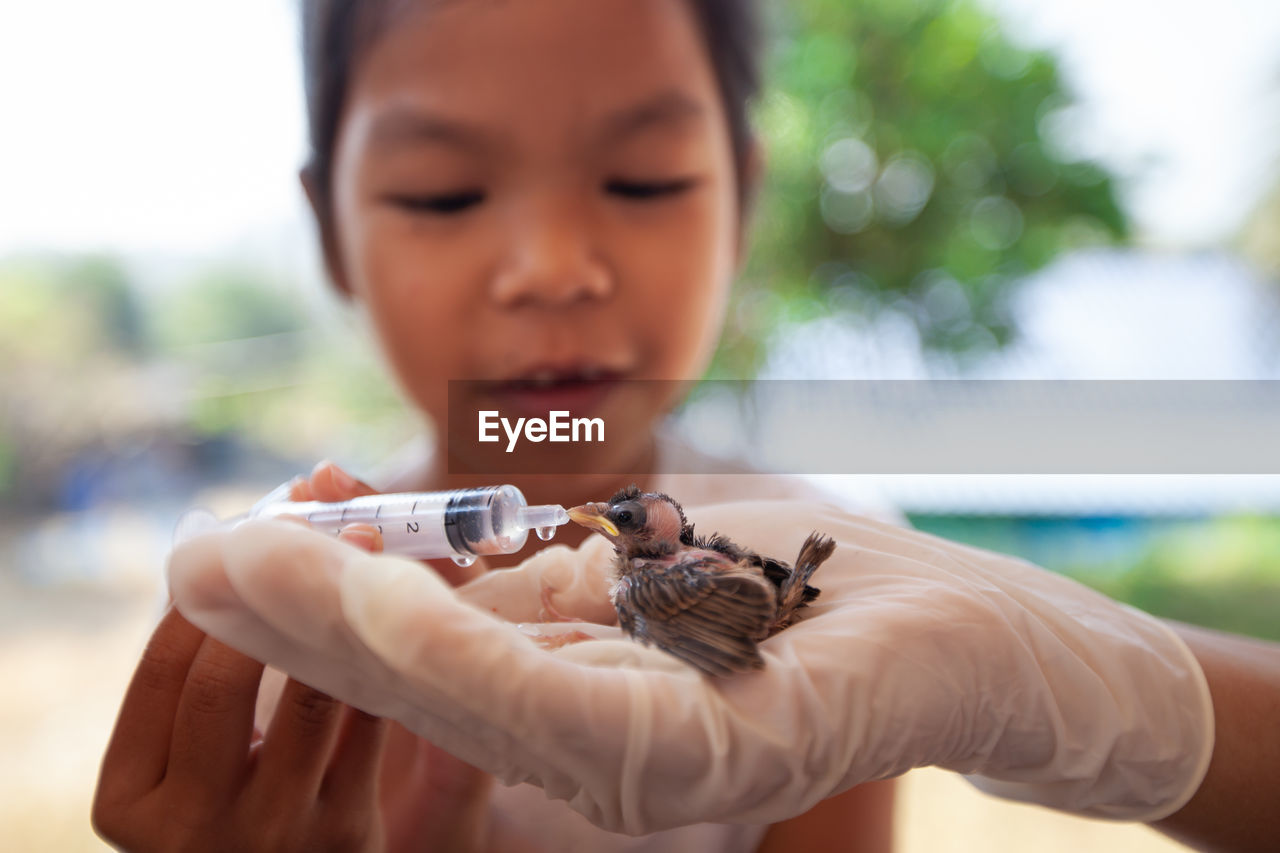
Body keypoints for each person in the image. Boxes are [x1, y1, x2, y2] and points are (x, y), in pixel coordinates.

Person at [93, 0, 899, 849]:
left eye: (644, 179)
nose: (551, 269)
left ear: (742, 200)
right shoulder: (253, 620)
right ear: (330, 228)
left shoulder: (832, 590)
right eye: (443, 195)